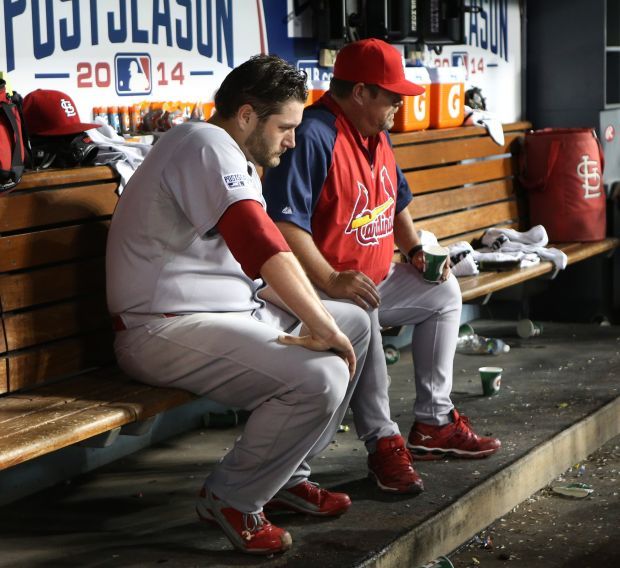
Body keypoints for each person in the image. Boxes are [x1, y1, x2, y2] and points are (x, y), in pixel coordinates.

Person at [106, 54, 372, 556]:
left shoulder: (230, 154)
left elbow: (244, 267)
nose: (291, 139)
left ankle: (285, 476)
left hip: (219, 318)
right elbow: (260, 243)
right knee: (320, 376)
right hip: (160, 328)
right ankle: (232, 497)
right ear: (247, 114)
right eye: (285, 126)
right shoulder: (203, 142)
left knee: (355, 322)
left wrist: (326, 319)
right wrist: (318, 323)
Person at [263, 39, 501, 494]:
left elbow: (397, 202)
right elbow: (283, 225)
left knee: (441, 293)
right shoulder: (314, 135)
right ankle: (383, 441)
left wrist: (414, 250)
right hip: (315, 291)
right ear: (359, 92)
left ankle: (434, 422)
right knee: (363, 306)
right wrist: (331, 277)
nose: (399, 102)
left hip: (369, 278)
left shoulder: (375, 131)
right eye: (390, 94)